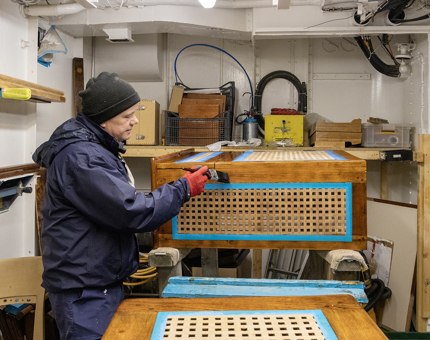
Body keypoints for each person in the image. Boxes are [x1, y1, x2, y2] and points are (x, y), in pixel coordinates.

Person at [32, 72, 209, 340]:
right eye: (127, 116)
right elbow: (131, 211)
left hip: (94, 283)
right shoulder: (83, 157)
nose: (135, 121)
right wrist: (184, 188)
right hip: (84, 291)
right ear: (103, 118)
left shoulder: (96, 149)